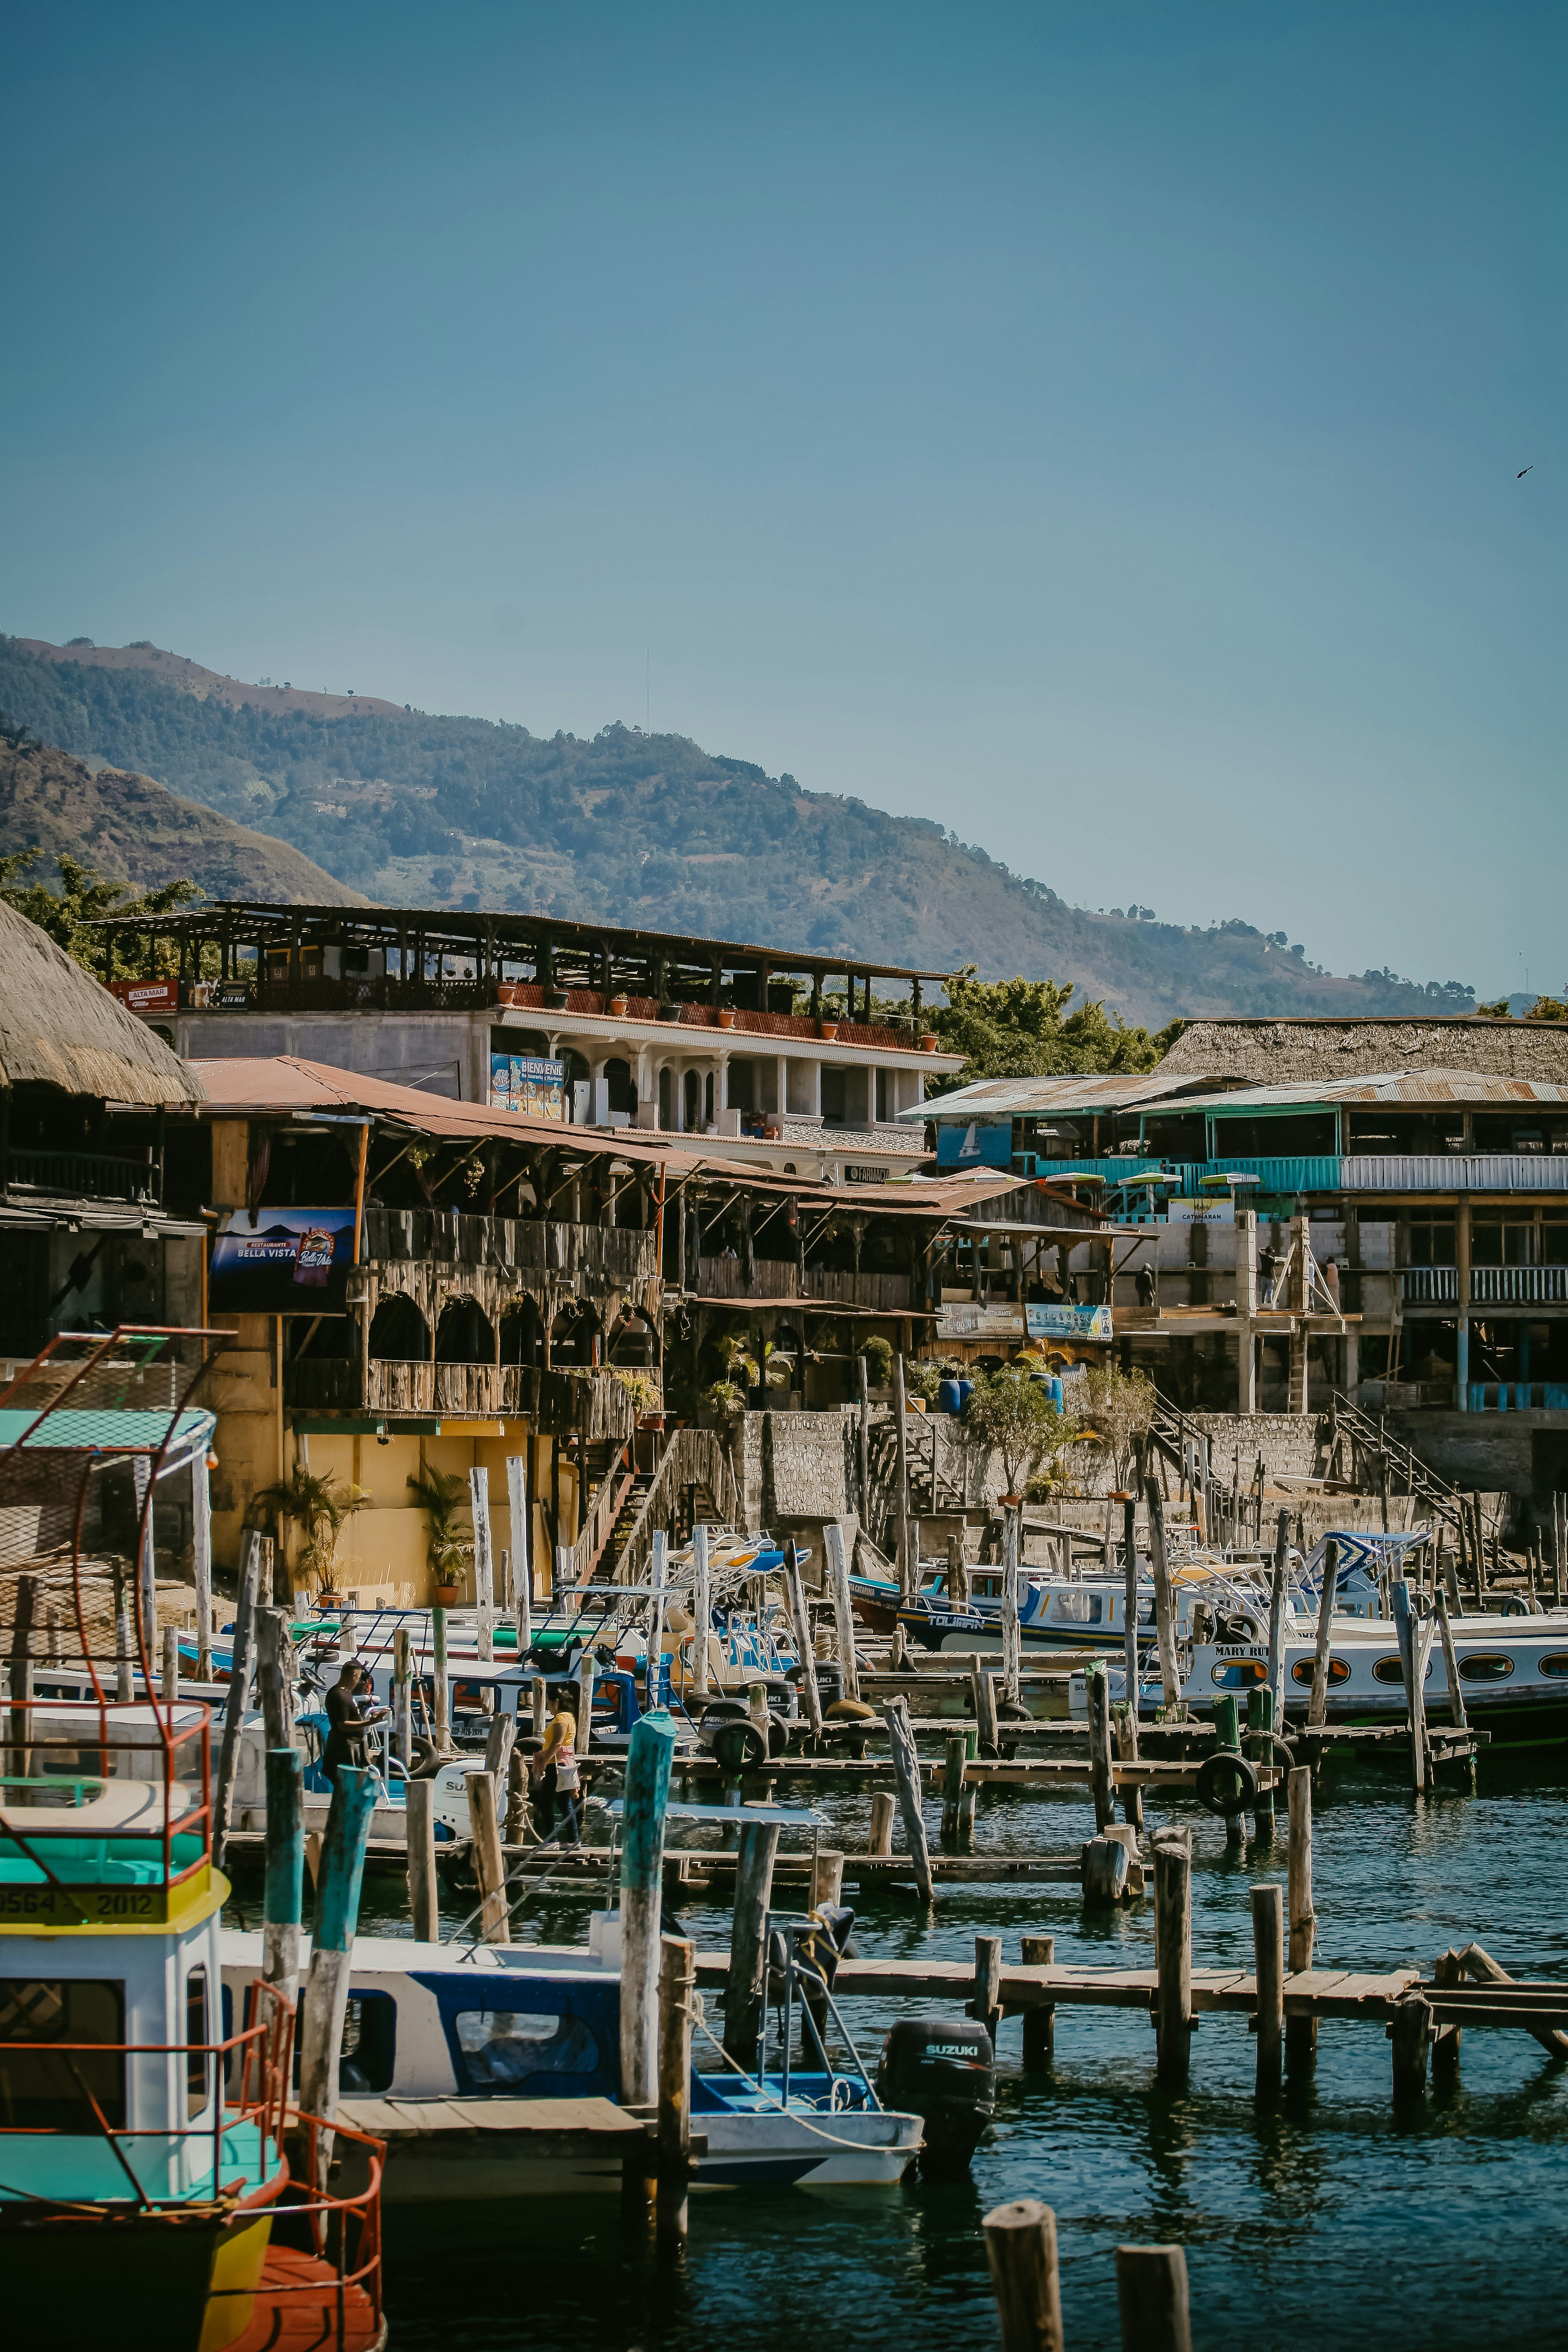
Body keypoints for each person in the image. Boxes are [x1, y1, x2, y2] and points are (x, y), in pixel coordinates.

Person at [322, 1660, 388, 1787]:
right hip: (345, 1747)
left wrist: (372, 1719)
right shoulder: (338, 1696)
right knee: (348, 1784)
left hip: (355, 1745)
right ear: (354, 1676)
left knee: (354, 1783)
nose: (359, 1682)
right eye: (358, 1678)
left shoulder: (346, 1693)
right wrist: (370, 1722)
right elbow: (342, 1725)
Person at [530, 1688, 580, 1845]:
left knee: (545, 1803)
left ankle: (552, 1841)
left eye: (549, 1703)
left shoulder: (561, 1719)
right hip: (565, 1765)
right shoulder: (570, 1717)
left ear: (557, 1702)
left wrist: (544, 1760)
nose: (548, 1707)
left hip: (557, 1767)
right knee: (565, 1804)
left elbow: (557, 1743)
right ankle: (574, 1840)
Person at [1258, 1241, 1284, 1308]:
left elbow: (1259, 1250)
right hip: (1269, 1277)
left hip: (1263, 1276)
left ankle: (1263, 1303)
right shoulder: (1272, 1260)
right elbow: (1272, 1270)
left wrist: (1265, 1249)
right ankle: (1270, 1303)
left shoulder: (1263, 1257)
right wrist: (1275, 1279)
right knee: (1270, 1291)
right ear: (1271, 1252)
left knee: (1263, 1291)